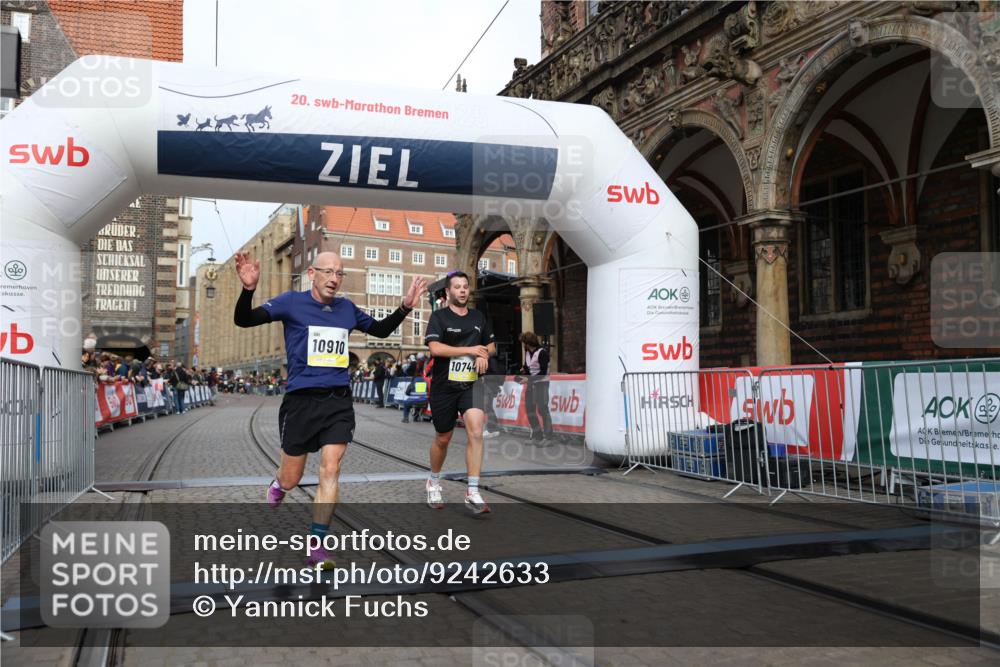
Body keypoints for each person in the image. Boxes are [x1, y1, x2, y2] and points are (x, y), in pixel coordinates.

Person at [234, 250, 426, 568]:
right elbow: (244, 320)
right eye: (328, 272)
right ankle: (280, 485)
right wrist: (249, 289)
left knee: (331, 468)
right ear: (313, 273)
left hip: (337, 400)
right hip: (300, 401)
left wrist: (405, 306)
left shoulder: (346, 309)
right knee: (292, 477)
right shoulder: (291, 302)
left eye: (340, 273)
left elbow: (379, 330)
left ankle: (317, 544)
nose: (334, 278)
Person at [423, 271, 496, 513]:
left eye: (465, 286)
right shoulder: (439, 317)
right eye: (457, 287)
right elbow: (435, 348)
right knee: (443, 438)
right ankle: (433, 481)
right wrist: (469, 350)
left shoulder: (478, 317)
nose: (463, 290)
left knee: (476, 431)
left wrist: (483, 352)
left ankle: (472, 491)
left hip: (471, 384)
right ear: (448, 292)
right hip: (444, 387)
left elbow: (492, 345)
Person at [519, 331, 554, 444]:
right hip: (531, 383)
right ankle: (537, 435)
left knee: (542, 409)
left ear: (528, 343)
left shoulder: (542, 352)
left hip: (542, 383)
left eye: (524, 343)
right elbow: (527, 366)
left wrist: (528, 379)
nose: (524, 345)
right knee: (530, 409)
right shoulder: (528, 352)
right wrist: (524, 369)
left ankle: (548, 437)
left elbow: (543, 372)